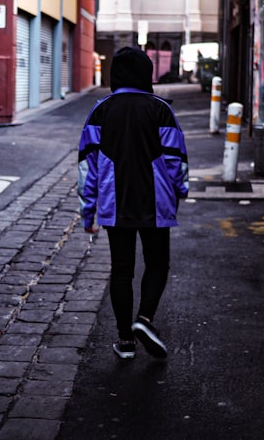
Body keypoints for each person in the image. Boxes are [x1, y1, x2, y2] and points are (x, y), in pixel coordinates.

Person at [77, 46, 189, 359]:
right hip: (156, 204)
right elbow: (175, 159)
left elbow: (88, 166)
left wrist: (88, 211)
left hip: (115, 203)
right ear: (146, 73)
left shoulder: (100, 111)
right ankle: (145, 320)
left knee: (121, 270)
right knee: (157, 264)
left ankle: (125, 341)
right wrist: (181, 190)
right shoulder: (161, 109)